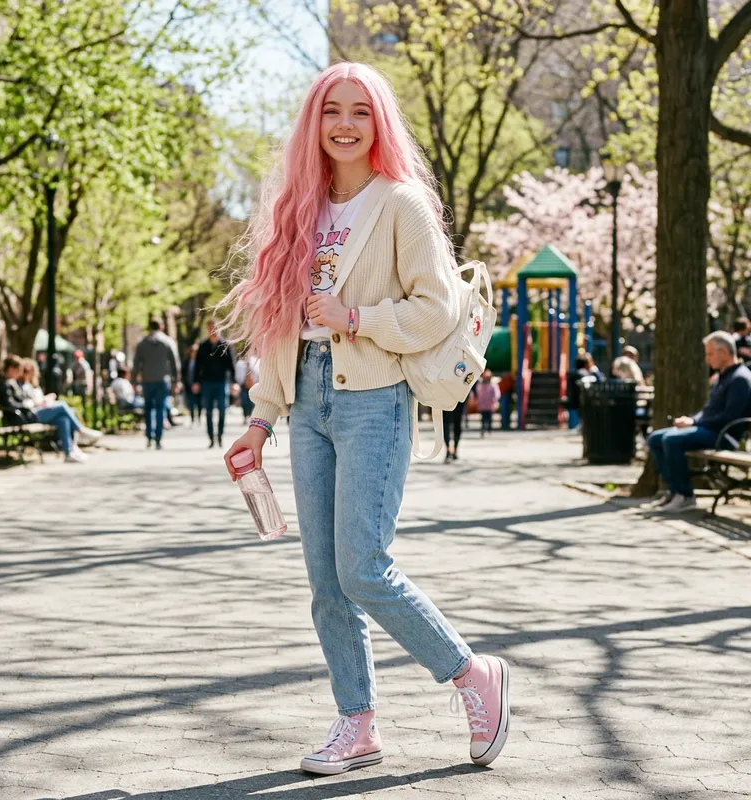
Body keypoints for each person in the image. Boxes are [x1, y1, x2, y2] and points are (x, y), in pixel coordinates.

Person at [221, 62, 510, 776]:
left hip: (374, 396)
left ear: (379, 123)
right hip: (308, 402)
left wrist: (358, 317)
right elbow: (280, 327)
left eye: (359, 112)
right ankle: (357, 724)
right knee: (326, 581)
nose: (344, 124)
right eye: (331, 111)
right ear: (313, 124)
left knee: (363, 568)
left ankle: (472, 675)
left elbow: (437, 308)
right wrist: (260, 420)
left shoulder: (401, 204)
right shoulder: (299, 208)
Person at [645, 332, 751, 513]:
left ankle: (685, 495)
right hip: (709, 429)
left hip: (723, 436)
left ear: (724, 352)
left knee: (671, 440)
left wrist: (696, 425)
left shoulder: (740, 379)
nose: (707, 359)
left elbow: (729, 418)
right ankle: (674, 491)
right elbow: (709, 410)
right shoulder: (722, 377)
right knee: (655, 438)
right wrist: (692, 420)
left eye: (710, 354)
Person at [0, 355, 97, 463]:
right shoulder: (6, 384)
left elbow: (21, 399)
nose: (19, 373)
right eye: (18, 370)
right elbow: (11, 404)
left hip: (29, 413)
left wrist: (37, 401)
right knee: (62, 405)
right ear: (11, 369)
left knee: (63, 419)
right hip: (24, 417)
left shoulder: (12, 383)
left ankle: (69, 452)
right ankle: (81, 430)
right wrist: (28, 404)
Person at [131, 318, 181, 449]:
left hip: (147, 380)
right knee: (160, 409)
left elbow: (136, 364)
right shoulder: (168, 342)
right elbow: (175, 363)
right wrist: (176, 381)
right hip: (162, 380)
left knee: (148, 409)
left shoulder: (142, 343)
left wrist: (134, 381)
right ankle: (158, 438)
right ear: (162, 326)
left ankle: (149, 436)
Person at [193, 321, 236, 448]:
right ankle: (211, 438)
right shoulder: (203, 346)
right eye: (211, 327)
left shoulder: (224, 345)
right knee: (209, 412)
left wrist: (234, 383)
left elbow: (231, 366)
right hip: (206, 383)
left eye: (215, 327)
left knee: (222, 410)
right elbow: (197, 366)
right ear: (207, 329)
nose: (213, 330)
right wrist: (196, 382)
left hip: (221, 382)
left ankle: (220, 436)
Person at [234, 354, 260, 424]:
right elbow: (237, 376)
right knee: (245, 402)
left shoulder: (256, 361)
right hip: (243, 385)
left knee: (252, 402)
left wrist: (250, 367)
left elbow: (258, 373)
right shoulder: (239, 364)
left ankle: (251, 416)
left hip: (254, 385)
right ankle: (245, 416)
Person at [476, 370, 501, 437]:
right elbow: (478, 393)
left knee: (489, 418)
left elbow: (497, 394)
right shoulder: (480, 385)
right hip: (483, 404)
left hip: (490, 404)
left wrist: (495, 401)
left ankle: (489, 429)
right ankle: (483, 429)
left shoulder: (493, 385)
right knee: (483, 418)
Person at [183, 343, 202, 425]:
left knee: (199, 402)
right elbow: (183, 372)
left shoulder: (200, 362)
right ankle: (192, 418)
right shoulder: (187, 362)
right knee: (191, 403)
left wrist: (198, 383)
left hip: (198, 385)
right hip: (188, 385)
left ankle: (199, 417)